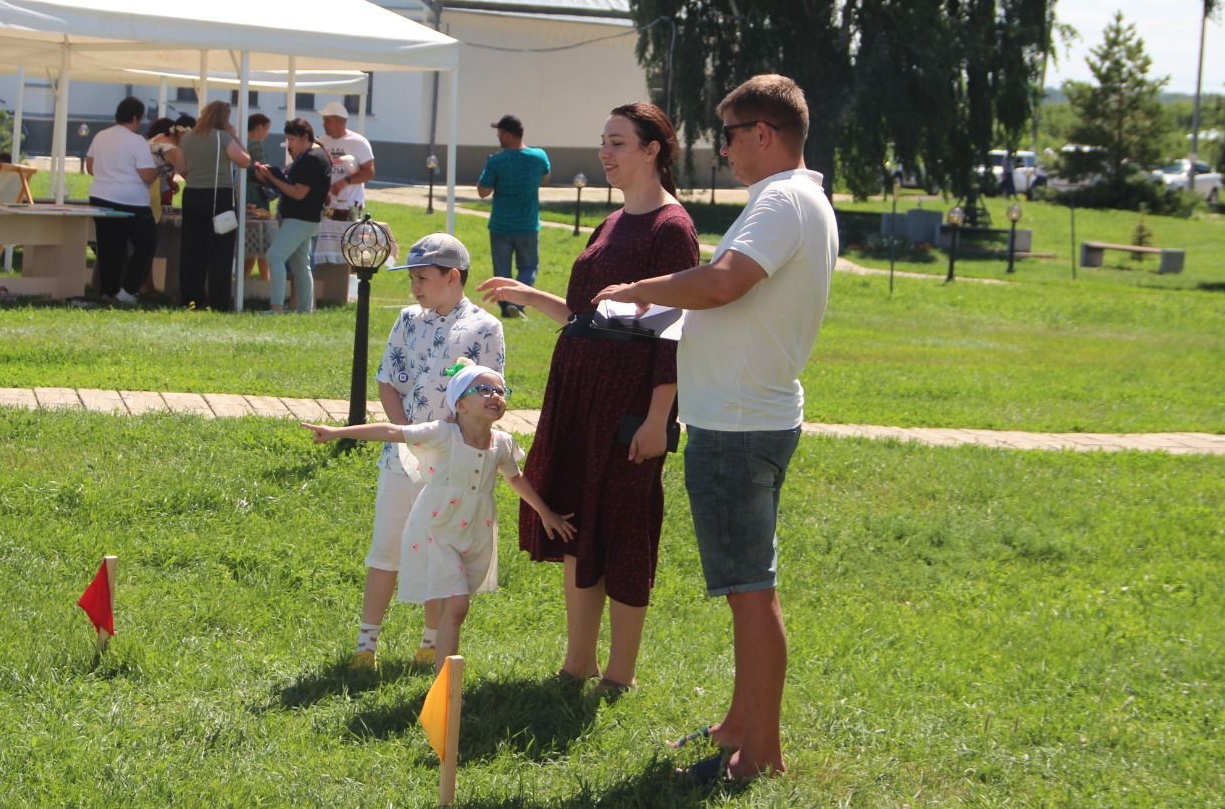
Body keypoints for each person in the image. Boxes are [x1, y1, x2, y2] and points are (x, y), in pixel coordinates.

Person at [593, 74, 838, 784]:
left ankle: (759, 754)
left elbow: (723, 282)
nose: (721, 147)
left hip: (737, 424)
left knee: (750, 592)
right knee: (745, 589)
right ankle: (739, 724)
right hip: (746, 414)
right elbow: (729, 290)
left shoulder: (783, 199)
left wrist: (636, 291)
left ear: (764, 134)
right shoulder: (799, 199)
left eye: (729, 134)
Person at [479, 102, 699, 695]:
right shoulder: (611, 221)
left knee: (624, 526)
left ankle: (619, 673)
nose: (605, 153)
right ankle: (577, 663)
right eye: (603, 141)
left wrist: (658, 417)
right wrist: (530, 295)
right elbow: (589, 316)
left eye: (618, 143)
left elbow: (674, 333)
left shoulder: (671, 228)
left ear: (653, 149)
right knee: (578, 522)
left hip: (627, 400)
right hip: (579, 394)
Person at [301, 360, 575, 670]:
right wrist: (338, 431)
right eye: (484, 390)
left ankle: (438, 670)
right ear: (461, 404)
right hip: (436, 529)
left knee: (454, 608)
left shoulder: (502, 443)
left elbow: (515, 478)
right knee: (457, 604)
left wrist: (545, 512)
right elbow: (394, 430)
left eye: (500, 390)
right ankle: (445, 677)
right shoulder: (443, 433)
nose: (495, 395)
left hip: (474, 531)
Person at [352, 233, 506, 669]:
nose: (414, 287)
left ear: (452, 276)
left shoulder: (484, 328)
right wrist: (406, 433)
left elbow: (490, 392)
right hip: (402, 455)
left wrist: (463, 441)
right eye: (412, 279)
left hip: (452, 461)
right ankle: (366, 645)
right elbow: (387, 378)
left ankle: (430, 642)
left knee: (442, 550)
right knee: (387, 546)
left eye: (422, 278)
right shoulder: (407, 320)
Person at [178, 101, 253, 310]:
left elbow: (183, 169)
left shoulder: (188, 137)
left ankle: (191, 300)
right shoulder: (223, 137)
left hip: (192, 195)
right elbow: (245, 160)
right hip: (219, 196)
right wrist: (235, 135)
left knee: (192, 250)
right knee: (220, 251)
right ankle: (219, 301)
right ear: (224, 118)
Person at [476, 114, 552, 319]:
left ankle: (507, 305)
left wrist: (491, 169)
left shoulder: (496, 161)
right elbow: (545, 177)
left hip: (501, 225)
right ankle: (518, 304)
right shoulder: (539, 157)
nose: (498, 136)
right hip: (528, 224)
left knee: (502, 271)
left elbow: (483, 191)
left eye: (500, 133)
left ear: (508, 135)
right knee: (528, 267)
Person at [253, 118, 332, 313]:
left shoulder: (313, 158)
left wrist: (272, 177)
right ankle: (305, 310)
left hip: (301, 218)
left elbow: (298, 192)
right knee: (300, 264)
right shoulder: (312, 156)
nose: (289, 145)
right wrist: (274, 177)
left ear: (305, 137)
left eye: (292, 139)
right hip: (304, 218)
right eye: (287, 139)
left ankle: (276, 307)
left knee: (274, 256)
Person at [85, 96, 158, 305]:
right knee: (146, 244)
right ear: (136, 118)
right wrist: (155, 173)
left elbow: (90, 167)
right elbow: (146, 174)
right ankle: (129, 289)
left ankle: (109, 290)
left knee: (109, 247)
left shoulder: (100, 136)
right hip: (131, 200)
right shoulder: (137, 141)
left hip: (101, 195)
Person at [319, 101, 375, 220]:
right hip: (327, 204)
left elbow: (369, 172)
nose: (323, 124)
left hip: (351, 205)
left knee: (348, 238)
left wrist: (345, 181)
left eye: (327, 121)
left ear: (341, 122)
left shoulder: (359, 142)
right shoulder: (322, 141)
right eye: (324, 120)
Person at [242, 112, 274, 284]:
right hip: (258, 197)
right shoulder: (256, 145)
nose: (267, 133)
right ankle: (263, 279)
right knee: (261, 241)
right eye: (267, 129)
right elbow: (262, 172)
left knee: (252, 241)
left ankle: (248, 278)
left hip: (246, 195)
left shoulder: (242, 142)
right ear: (260, 127)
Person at [144, 115, 190, 223]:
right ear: (181, 133)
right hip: (150, 194)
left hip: (141, 191)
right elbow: (189, 177)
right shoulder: (171, 149)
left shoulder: (158, 138)